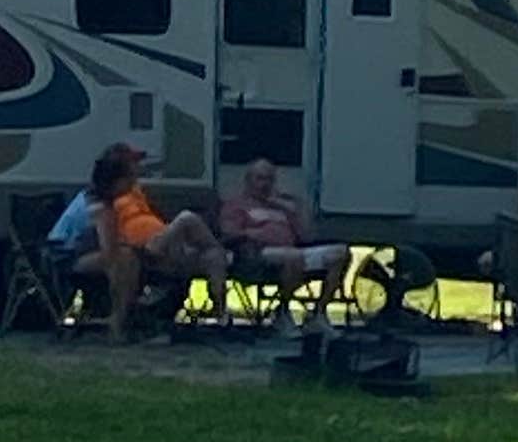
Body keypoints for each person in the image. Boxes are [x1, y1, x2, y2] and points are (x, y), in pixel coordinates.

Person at [91, 142, 228, 336]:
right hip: (143, 250)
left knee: (213, 255)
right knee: (186, 217)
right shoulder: (106, 201)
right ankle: (218, 249)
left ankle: (220, 314)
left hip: (164, 246)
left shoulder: (134, 189)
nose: (137, 167)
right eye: (133, 163)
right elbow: (110, 238)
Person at [217, 155, 342, 305]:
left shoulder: (283, 204)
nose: (265, 184)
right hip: (257, 256)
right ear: (248, 181)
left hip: (293, 251)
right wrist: (255, 234)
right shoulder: (236, 205)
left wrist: (291, 211)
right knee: (293, 257)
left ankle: (318, 314)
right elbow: (228, 234)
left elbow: (306, 236)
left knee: (339, 253)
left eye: (269, 179)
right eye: (260, 179)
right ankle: (283, 312)